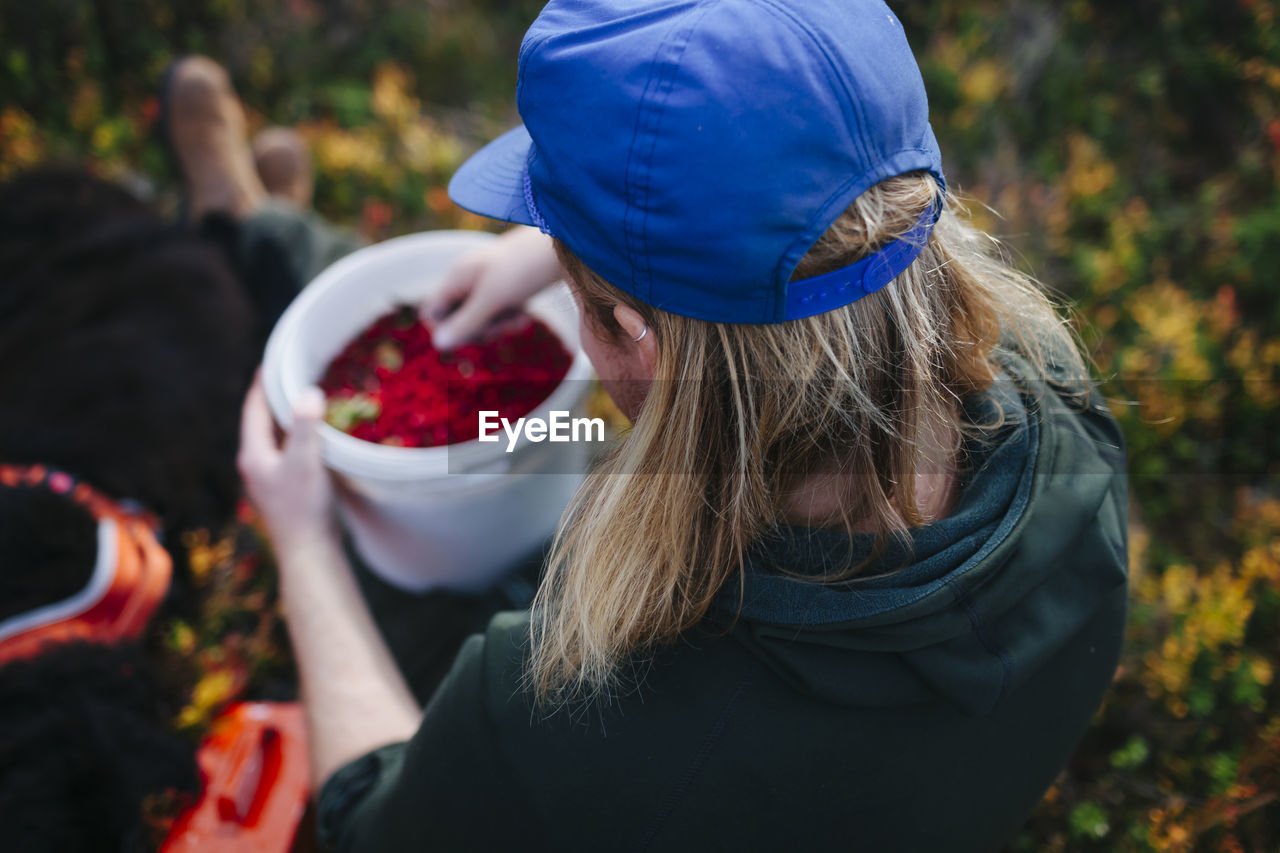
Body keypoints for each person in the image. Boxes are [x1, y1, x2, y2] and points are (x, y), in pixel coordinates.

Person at [238, 1, 1130, 850]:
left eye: (591, 305)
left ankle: (252, 223)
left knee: (396, 581)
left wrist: (305, 540)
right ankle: (258, 220)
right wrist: (580, 262)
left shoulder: (570, 714)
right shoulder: (1066, 413)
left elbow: (367, 826)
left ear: (640, 338)